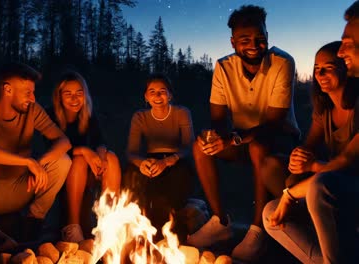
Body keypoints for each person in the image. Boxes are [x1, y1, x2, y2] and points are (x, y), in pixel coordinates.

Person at [188, 5, 300, 262]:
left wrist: (233, 138)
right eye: (245, 40)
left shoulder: (283, 62)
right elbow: (218, 119)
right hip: (239, 138)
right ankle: (220, 222)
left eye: (260, 38)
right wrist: (216, 138)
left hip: (281, 138)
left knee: (258, 145)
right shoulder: (223, 67)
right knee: (200, 146)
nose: (254, 45)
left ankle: (257, 230)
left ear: (267, 36)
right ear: (233, 42)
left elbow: (274, 123)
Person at [263, 2, 359, 262]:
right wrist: (299, 158)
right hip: (335, 184)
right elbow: (309, 147)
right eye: (317, 68)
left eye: (329, 66)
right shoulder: (325, 110)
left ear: (344, 68)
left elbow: (345, 163)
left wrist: (298, 184)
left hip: (346, 186)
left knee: (319, 185)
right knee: (270, 212)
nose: (321, 73)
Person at [0, 62, 71, 250]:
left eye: (33, 92)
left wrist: (39, 163)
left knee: (63, 161)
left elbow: (64, 141)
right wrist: (27, 161)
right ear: (7, 89)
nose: (33, 98)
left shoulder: (32, 110)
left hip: (22, 187)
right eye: (28, 92)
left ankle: (33, 220)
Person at [47, 71, 121, 243]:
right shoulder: (49, 115)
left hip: (89, 172)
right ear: (59, 96)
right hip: (63, 172)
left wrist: (100, 156)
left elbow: (100, 141)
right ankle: (72, 227)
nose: (75, 99)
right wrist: (84, 151)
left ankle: (110, 222)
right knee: (79, 159)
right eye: (68, 94)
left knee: (111, 157)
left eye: (79, 93)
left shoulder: (88, 114)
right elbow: (52, 150)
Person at [123, 73, 195, 242]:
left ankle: (173, 230)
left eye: (162, 91)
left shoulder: (181, 113)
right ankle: (140, 228)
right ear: (146, 97)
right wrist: (142, 163)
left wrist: (168, 161)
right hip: (150, 161)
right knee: (131, 175)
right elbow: (131, 152)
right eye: (152, 91)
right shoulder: (140, 117)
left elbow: (189, 146)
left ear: (170, 95)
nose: (157, 96)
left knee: (177, 179)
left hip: (176, 160)